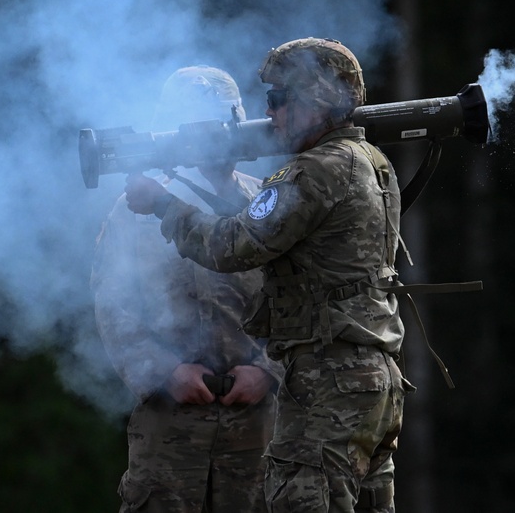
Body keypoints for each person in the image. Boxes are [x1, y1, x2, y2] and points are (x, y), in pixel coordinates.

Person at [124, 38, 408, 513]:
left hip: (326, 384)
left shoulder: (312, 174)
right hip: (373, 379)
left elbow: (231, 245)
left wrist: (163, 205)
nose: (269, 114)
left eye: (278, 100)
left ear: (315, 102)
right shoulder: (373, 164)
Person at [93, 66, 280, 512]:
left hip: (260, 429)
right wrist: (164, 371)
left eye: (221, 124)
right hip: (170, 430)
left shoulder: (271, 203)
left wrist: (269, 372)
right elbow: (113, 305)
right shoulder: (136, 208)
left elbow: (304, 301)